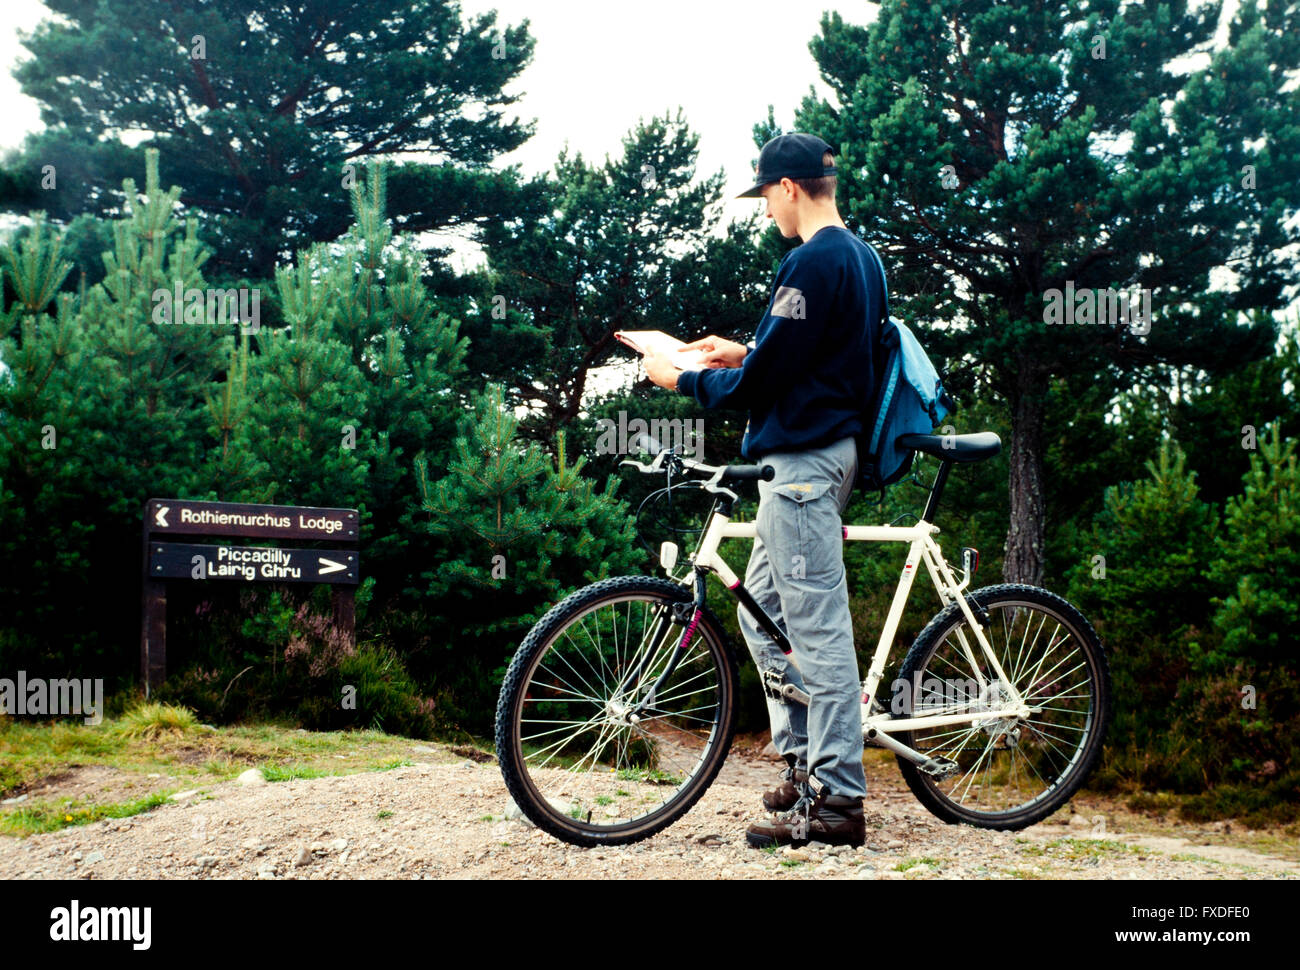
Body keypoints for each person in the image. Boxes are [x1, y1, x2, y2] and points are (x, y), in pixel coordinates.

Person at [643, 132, 884, 848]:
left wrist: (682, 377)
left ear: (788, 188)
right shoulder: (861, 258)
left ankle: (838, 802)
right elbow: (811, 362)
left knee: (817, 634)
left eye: (766, 197)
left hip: (803, 470)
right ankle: (806, 762)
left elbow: (763, 386)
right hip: (819, 462)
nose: (766, 211)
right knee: (765, 615)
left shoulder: (811, 261)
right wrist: (742, 352)